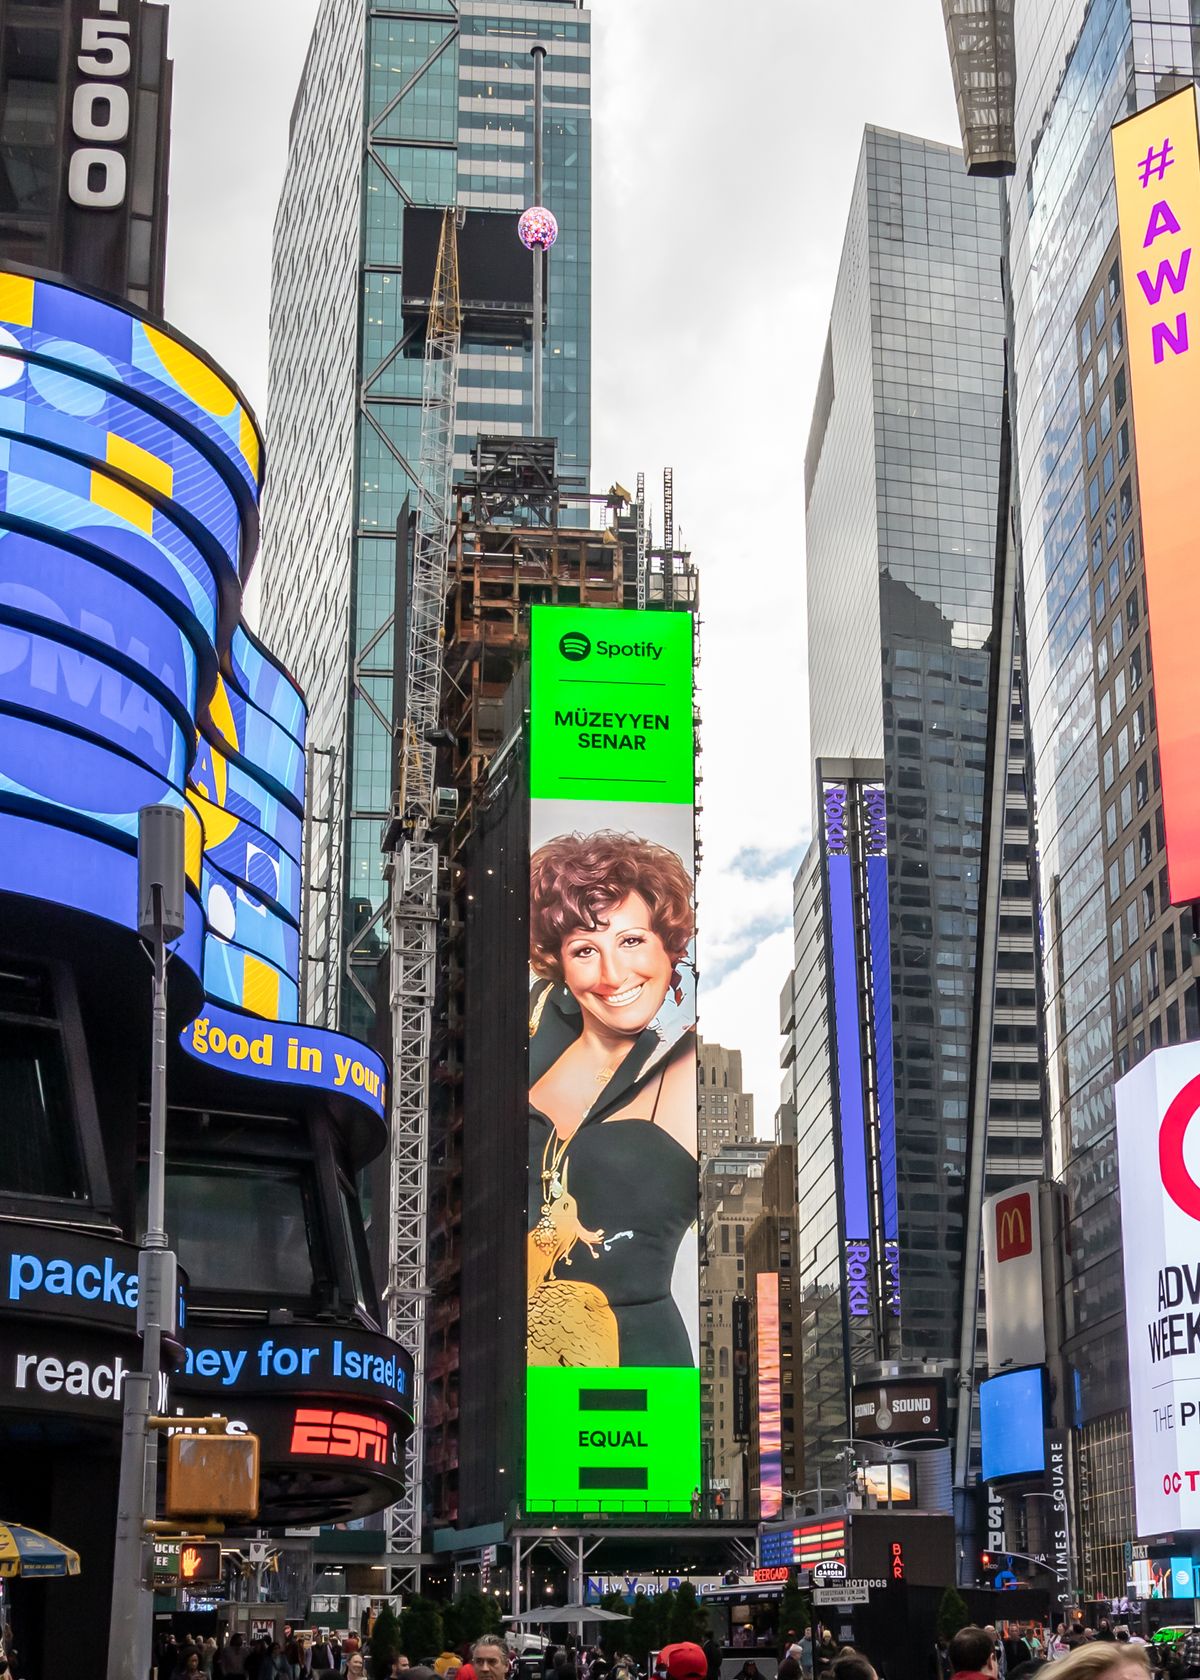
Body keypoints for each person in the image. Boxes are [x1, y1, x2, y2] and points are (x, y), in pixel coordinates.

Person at [527, 830, 698, 1369]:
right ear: (559, 962)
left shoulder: (687, 1067)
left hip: (636, 1367)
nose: (612, 974)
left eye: (631, 941)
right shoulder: (530, 1042)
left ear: (669, 944)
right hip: (507, 1361)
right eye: (585, 950)